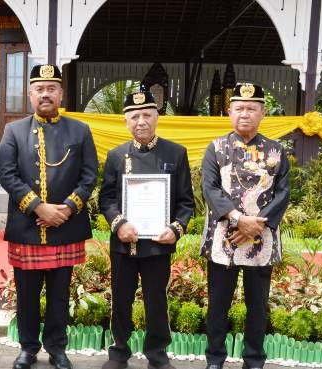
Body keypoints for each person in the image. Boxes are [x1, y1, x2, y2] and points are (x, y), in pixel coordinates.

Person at [0, 64, 99, 369]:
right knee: (26, 295)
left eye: (51, 88)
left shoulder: (79, 130)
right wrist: (38, 207)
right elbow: (7, 173)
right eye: (39, 89)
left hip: (66, 228)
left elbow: (89, 174)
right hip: (27, 227)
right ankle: (28, 348)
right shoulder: (13, 131)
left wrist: (67, 208)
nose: (45, 94)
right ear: (30, 94)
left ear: (60, 93)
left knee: (58, 295)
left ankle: (57, 348)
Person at [99, 90, 194, 369]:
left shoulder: (176, 153)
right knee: (121, 301)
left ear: (157, 117)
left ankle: (157, 354)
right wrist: (118, 224)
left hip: (157, 244)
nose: (141, 121)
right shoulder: (116, 156)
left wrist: (176, 229)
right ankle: (118, 353)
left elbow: (186, 201)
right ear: (126, 121)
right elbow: (106, 198)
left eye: (146, 115)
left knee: (156, 302)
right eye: (134, 116)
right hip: (123, 244)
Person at [201, 83, 290, 369]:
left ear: (263, 113)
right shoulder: (216, 148)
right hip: (224, 238)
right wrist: (239, 220)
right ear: (229, 112)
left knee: (257, 306)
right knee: (218, 304)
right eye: (239, 108)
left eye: (252, 108)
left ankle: (253, 359)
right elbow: (210, 188)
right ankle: (215, 358)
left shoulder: (276, 150)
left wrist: (255, 226)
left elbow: (282, 192)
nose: (245, 114)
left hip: (260, 240)